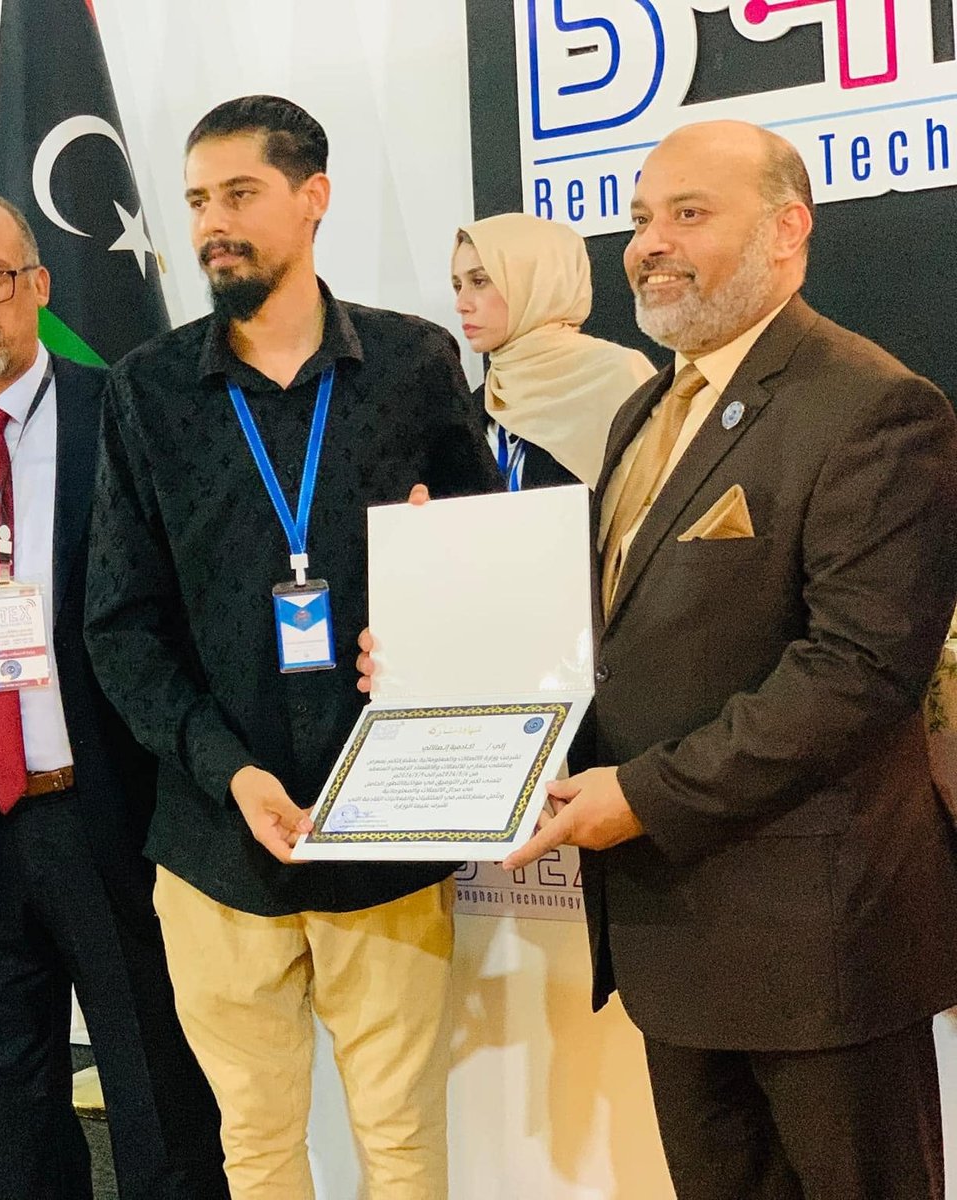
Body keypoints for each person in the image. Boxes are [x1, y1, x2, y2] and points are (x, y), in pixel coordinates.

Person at [494, 121, 957, 1197]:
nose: (648, 243)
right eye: (639, 218)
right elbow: (619, 633)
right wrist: (449, 623)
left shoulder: (874, 406)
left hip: (821, 950)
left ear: (788, 229)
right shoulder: (648, 409)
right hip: (674, 936)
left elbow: (855, 672)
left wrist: (641, 797)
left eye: (688, 213)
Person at [83, 96, 501, 1199]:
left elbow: (486, 571)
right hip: (218, 842)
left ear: (313, 198)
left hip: (390, 825)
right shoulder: (146, 389)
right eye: (195, 202)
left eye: (239, 195)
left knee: (401, 1145)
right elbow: (119, 625)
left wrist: (431, 630)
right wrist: (230, 771)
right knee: (258, 1148)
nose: (211, 225)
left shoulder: (413, 363)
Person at [0, 193, 227, 1200]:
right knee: (12, 1130)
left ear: (38, 287)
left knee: (161, 1105)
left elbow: (188, 625)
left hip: (113, 817)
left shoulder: (126, 416)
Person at [451, 212, 656, 490]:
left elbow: (660, 499)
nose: (461, 304)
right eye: (457, 286)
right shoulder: (482, 403)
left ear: (534, 282)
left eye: (479, 281)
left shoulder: (617, 377)